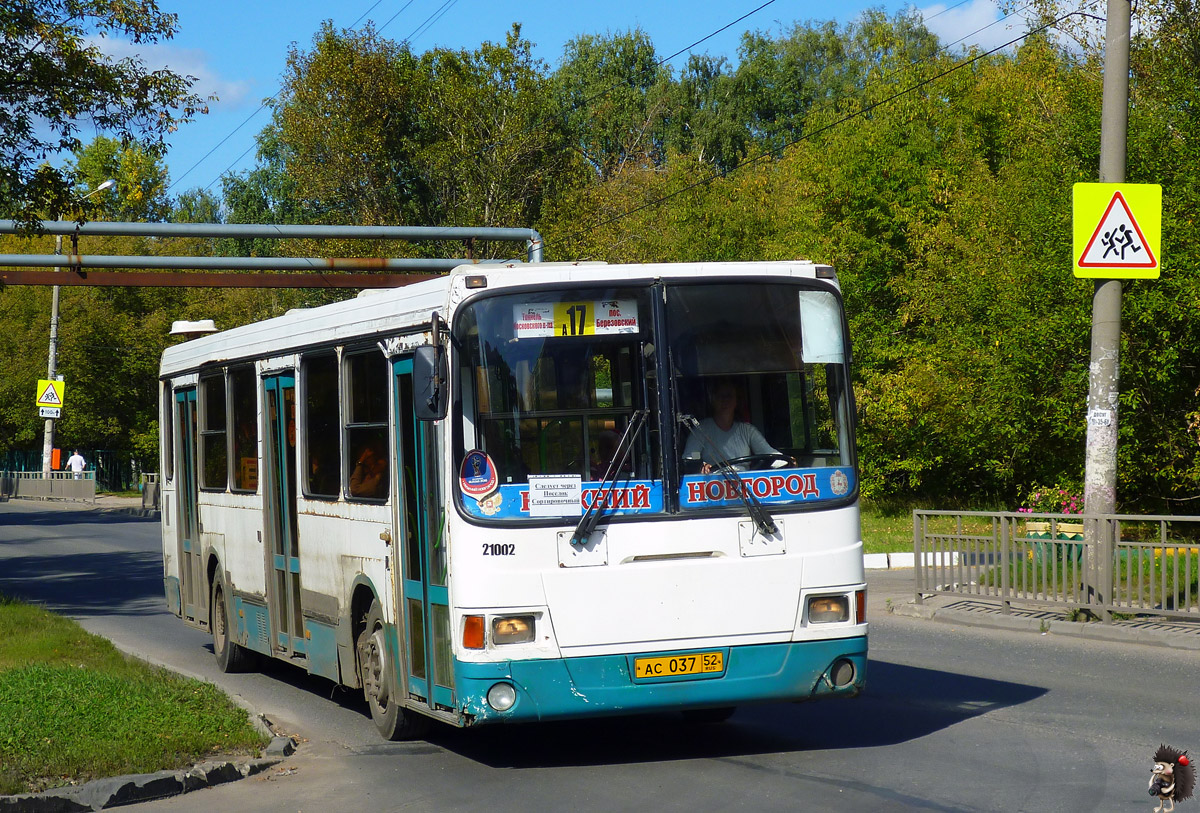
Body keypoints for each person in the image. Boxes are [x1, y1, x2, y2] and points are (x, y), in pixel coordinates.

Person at [682, 379, 785, 473]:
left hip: (745, 488)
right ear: (713, 400)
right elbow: (689, 459)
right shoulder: (701, 430)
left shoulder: (748, 431)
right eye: (720, 396)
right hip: (713, 488)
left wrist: (787, 461)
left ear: (736, 401)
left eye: (729, 396)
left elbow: (770, 455)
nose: (725, 400)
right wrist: (701, 467)